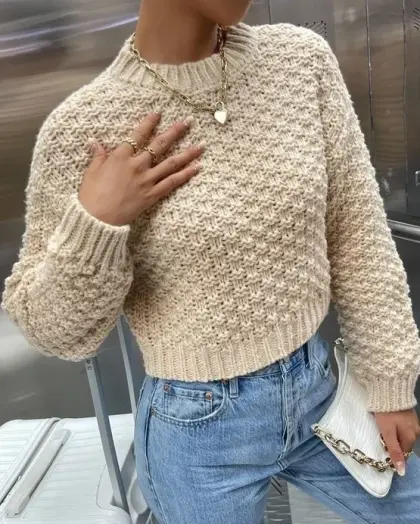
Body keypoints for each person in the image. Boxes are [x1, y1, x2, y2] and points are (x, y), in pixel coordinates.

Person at [2, 1, 420, 522]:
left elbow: (357, 233)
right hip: (197, 433)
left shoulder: (301, 63)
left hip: (321, 393)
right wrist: (97, 221)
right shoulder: (80, 129)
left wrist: (389, 382)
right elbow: (54, 332)